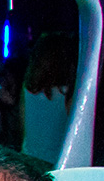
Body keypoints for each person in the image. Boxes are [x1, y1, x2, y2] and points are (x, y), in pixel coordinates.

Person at [21, 31, 75, 164]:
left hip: (28, 158)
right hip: (55, 161)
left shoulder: (28, 88)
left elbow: (22, 125)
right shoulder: (66, 93)